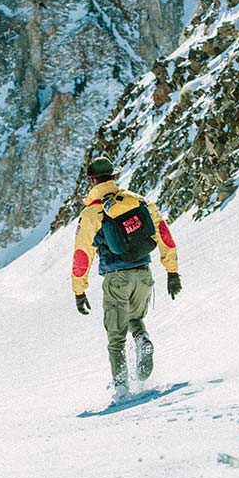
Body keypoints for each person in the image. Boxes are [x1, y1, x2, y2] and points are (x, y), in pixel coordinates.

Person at [72, 156, 182, 398]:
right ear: (114, 177)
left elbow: (82, 256)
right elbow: (163, 234)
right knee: (135, 318)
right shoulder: (137, 201)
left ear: (92, 180)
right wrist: (172, 272)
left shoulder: (92, 214)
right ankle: (143, 339)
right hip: (144, 274)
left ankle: (121, 390)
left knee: (116, 338)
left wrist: (79, 291)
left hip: (116, 279)